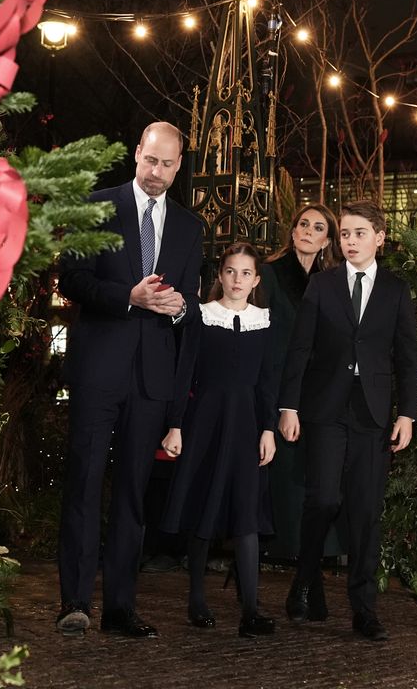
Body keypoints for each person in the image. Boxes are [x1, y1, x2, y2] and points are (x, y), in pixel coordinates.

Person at [55, 121, 203, 638]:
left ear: (179, 165)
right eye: (150, 161)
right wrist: (128, 297)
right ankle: (74, 601)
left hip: (151, 379)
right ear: (136, 153)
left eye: (167, 165)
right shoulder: (96, 205)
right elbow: (70, 279)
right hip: (98, 370)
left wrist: (181, 307)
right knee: (85, 484)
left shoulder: (189, 227)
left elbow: (188, 310)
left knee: (133, 496)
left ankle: (120, 606)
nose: (157, 173)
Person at [278, 199, 417, 641]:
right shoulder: (322, 285)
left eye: (359, 233)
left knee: (364, 511)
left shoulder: (396, 291)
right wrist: (288, 406)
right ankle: (304, 579)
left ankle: (364, 609)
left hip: (373, 413)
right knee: (321, 499)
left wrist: (407, 414)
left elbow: (407, 359)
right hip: (325, 408)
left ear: (379, 237)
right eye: (344, 234)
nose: (350, 241)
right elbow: (299, 348)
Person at [160, 242, 278, 638]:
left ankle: (250, 610)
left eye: (246, 273)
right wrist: (175, 424)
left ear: (256, 280)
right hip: (206, 423)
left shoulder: (264, 321)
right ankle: (196, 599)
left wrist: (268, 429)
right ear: (220, 276)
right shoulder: (202, 317)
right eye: (231, 271)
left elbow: (267, 383)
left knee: (246, 515)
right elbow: (183, 372)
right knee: (204, 509)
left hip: (247, 426)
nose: (237, 280)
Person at [261, 205, 345, 576]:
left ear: (327, 240)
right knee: (282, 467)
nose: (309, 231)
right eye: (303, 224)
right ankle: (280, 544)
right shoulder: (269, 273)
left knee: (317, 470)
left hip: (320, 389)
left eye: (318, 227)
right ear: (293, 231)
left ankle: (318, 548)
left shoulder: (332, 280)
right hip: (277, 378)